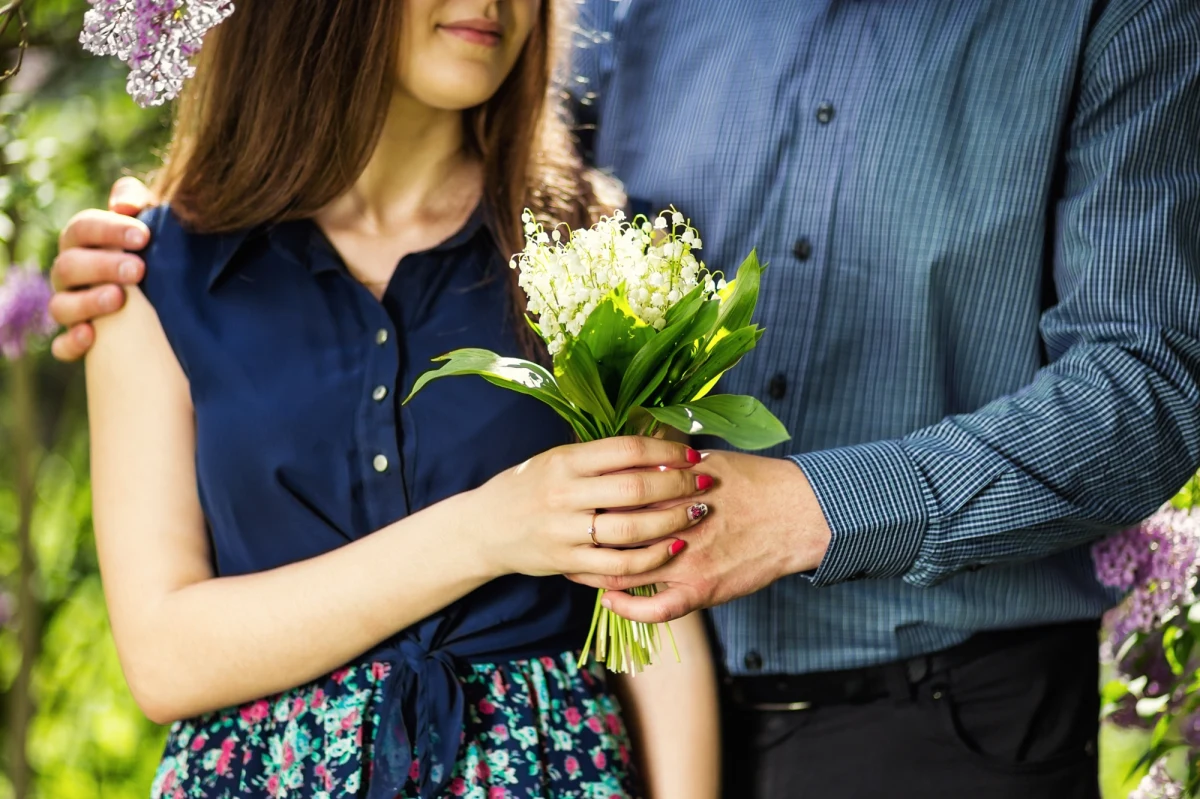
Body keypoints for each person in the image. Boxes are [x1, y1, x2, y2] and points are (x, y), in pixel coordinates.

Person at [51, 1, 1200, 798]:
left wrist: (808, 509)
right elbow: (165, 645)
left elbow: (1148, 377)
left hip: (932, 719)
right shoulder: (166, 278)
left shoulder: (570, 239)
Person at [72, 1, 722, 797]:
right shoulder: (148, 274)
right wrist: (489, 530)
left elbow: (658, 605)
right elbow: (165, 658)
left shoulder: (605, 249)